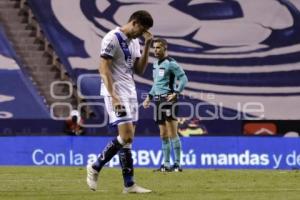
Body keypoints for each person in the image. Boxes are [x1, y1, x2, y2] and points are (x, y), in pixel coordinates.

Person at [86, 10, 153, 193]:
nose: (142, 33)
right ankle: (95, 166)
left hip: (130, 92)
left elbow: (139, 70)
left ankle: (129, 184)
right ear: (135, 22)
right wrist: (114, 97)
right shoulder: (112, 38)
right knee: (127, 136)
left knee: (128, 141)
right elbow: (103, 68)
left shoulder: (136, 42)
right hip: (116, 92)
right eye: (142, 30)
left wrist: (147, 46)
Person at [143, 38, 188, 172]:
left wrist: (176, 92)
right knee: (163, 134)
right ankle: (166, 165)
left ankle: (178, 164)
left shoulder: (171, 63)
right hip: (158, 101)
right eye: (154, 48)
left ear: (165, 48)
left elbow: (184, 78)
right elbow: (156, 84)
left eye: (158, 47)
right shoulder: (155, 64)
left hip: (168, 101)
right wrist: (149, 97)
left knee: (173, 133)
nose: (155, 50)